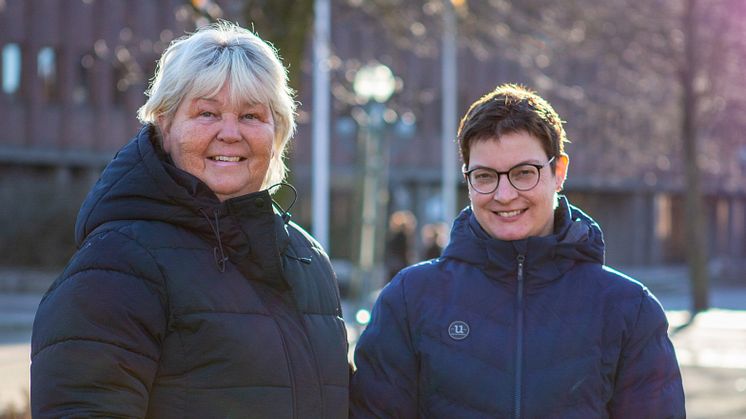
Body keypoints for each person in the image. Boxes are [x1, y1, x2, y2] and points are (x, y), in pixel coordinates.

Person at [31, 22, 348, 418]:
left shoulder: (307, 258)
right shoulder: (118, 265)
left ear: (278, 131)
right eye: (207, 113)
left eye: (251, 115)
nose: (230, 133)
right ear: (164, 124)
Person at [350, 84, 685, 418]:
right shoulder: (410, 299)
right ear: (467, 180)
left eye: (524, 173)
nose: (505, 194)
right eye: (485, 176)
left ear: (559, 172)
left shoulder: (628, 308)